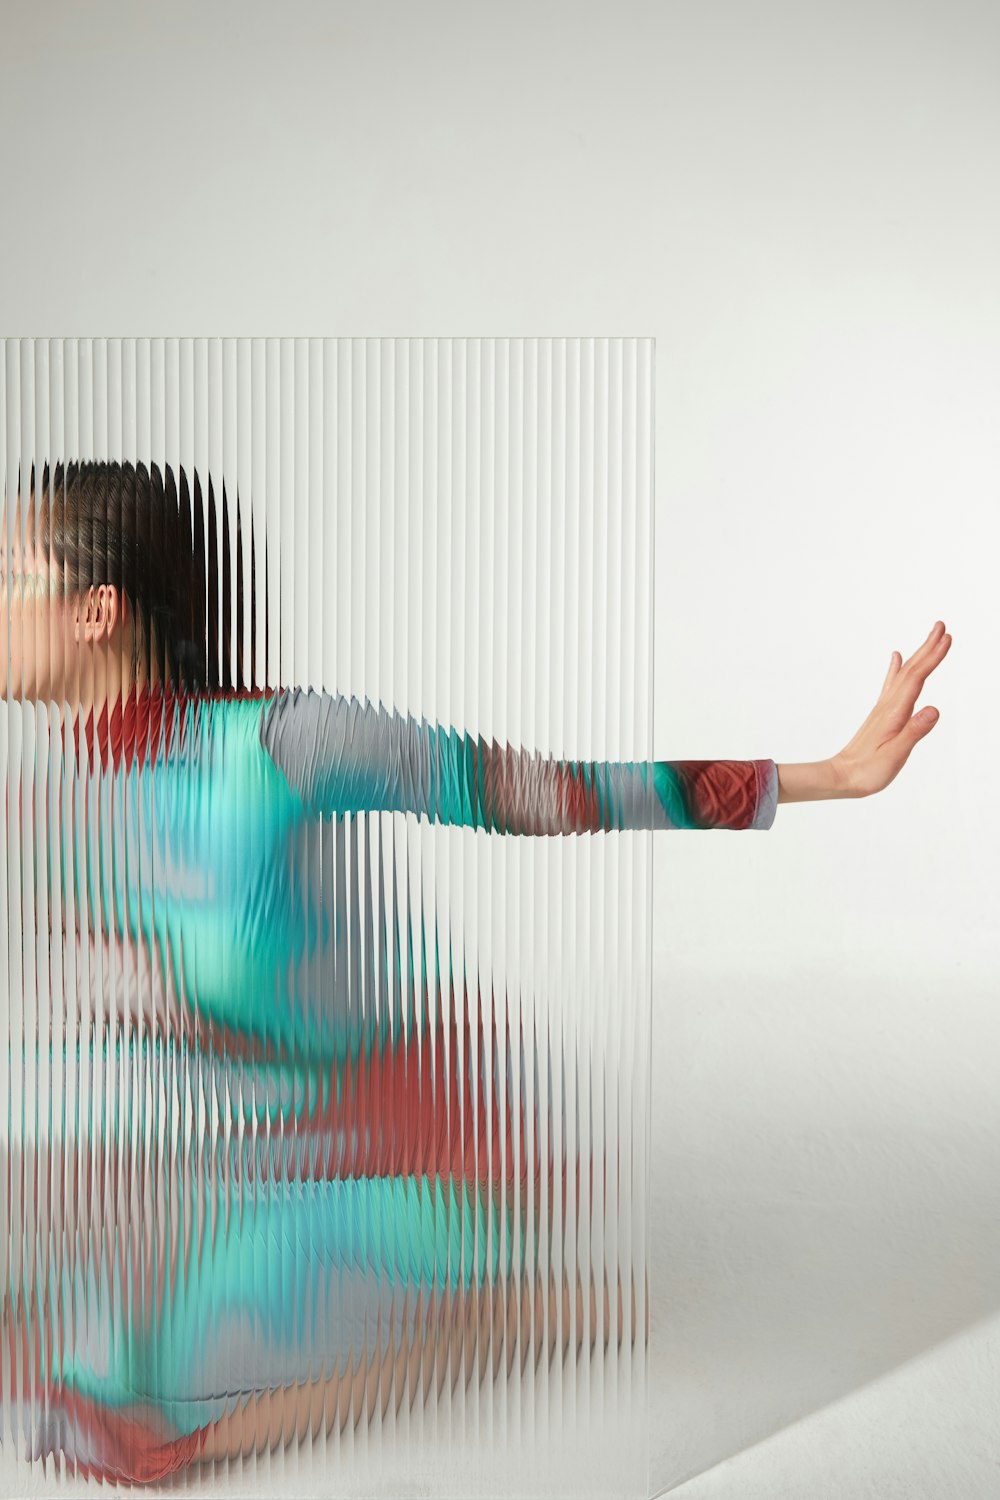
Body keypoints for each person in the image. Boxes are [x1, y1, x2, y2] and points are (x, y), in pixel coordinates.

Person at [0, 459, 952, 1483]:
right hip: (238, 1158)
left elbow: (554, 791)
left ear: (97, 609)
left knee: (112, 1422)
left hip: (409, 1161)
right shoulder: (54, 789)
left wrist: (826, 776)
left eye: (13, 571)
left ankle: (486, 1312)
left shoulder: (283, 742)